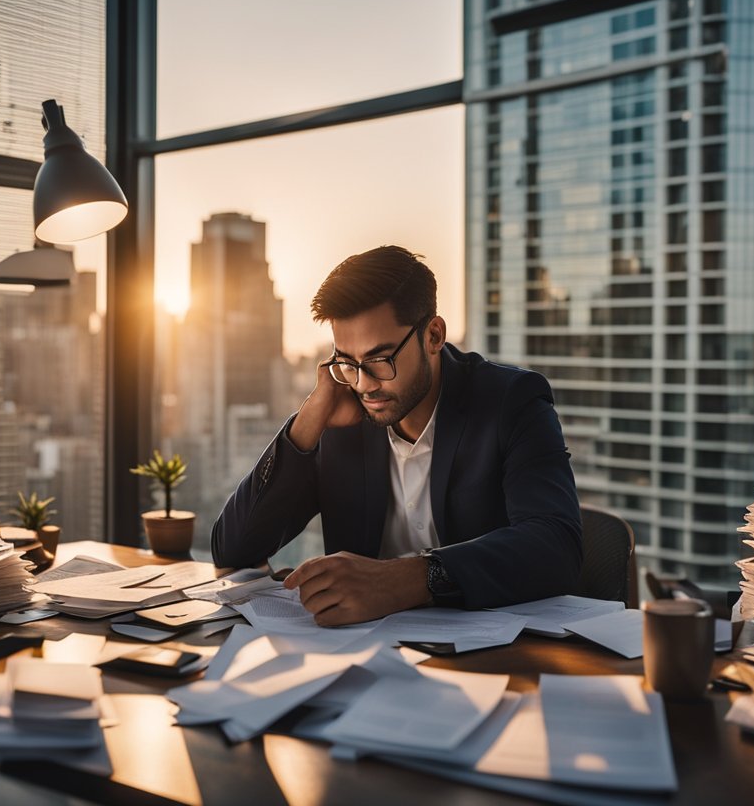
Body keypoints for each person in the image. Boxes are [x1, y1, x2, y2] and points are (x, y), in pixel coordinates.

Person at [211, 246, 582, 626]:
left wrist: (407, 580)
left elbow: (556, 547)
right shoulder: (341, 417)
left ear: (434, 336)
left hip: (490, 657)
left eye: (379, 359)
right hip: (362, 657)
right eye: (348, 362)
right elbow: (234, 548)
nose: (364, 384)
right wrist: (308, 420)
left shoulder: (510, 401)